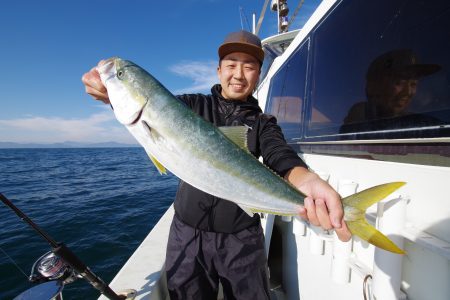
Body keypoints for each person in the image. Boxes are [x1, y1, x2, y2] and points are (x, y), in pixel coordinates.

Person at [82, 30, 351, 299]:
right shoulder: (189, 106)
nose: (238, 74)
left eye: (249, 67)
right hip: (186, 235)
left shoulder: (263, 123)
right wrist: (110, 94)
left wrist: (306, 180)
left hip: (241, 239)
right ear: (218, 70)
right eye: (231, 65)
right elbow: (151, 111)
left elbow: (279, 153)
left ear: (259, 73)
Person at [343, 49, 441, 126]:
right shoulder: (358, 123)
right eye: (399, 82)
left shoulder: (424, 123)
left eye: (413, 84)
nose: (408, 92)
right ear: (373, 87)